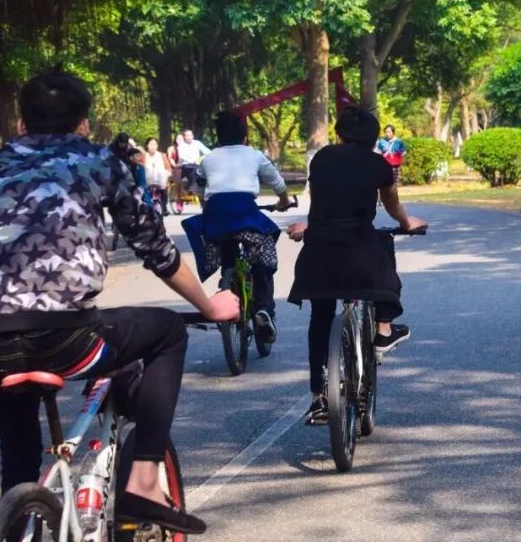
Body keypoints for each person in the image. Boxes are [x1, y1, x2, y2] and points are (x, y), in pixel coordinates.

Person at [0, 70, 238, 538]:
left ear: (20, 122)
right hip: (68, 339)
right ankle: (145, 482)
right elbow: (156, 250)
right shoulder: (98, 161)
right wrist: (209, 306)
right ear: (83, 124)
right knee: (168, 334)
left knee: (19, 457)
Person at [286, 107, 426, 425]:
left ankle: (318, 397)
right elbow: (392, 207)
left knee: (320, 317)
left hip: (319, 254)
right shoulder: (378, 164)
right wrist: (408, 223)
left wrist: (309, 227)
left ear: (339, 134)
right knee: (384, 248)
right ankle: (383, 329)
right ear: (375, 138)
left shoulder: (321, 159)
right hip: (359, 254)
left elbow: (325, 202)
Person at [181, 112, 291, 341]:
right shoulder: (254, 155)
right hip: (244, 212)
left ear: (219, 138)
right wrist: (283, 201)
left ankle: (228, 284)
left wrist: (206, 205)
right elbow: (277, 183)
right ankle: (264, 309)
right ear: (245, 136)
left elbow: (200, 188)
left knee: (227, 254)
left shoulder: (208, 158)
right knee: (262, 256)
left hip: (216, 214)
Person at [176, 129, 210, 197]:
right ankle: (191, 188)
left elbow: (206, 151)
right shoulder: (181, 146)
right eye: (187, 135)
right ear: (184, 137)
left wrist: (209, 155)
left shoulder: (197, 143)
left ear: (193, 136)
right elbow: (182, 156)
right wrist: (191, 161)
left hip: (197, 164)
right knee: (193, 171)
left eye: (190, 135)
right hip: (186, 166)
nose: (189, 137)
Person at [144, 137, 171, 209]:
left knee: (164, 190)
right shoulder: (143, 156)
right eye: (151, 144)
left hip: (160, 181)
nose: (153, 146)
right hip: (148, 181)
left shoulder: (162, 155)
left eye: (155, 144)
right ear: (147, 145)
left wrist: (167, 174)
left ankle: (164, 207)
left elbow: (168, 168)